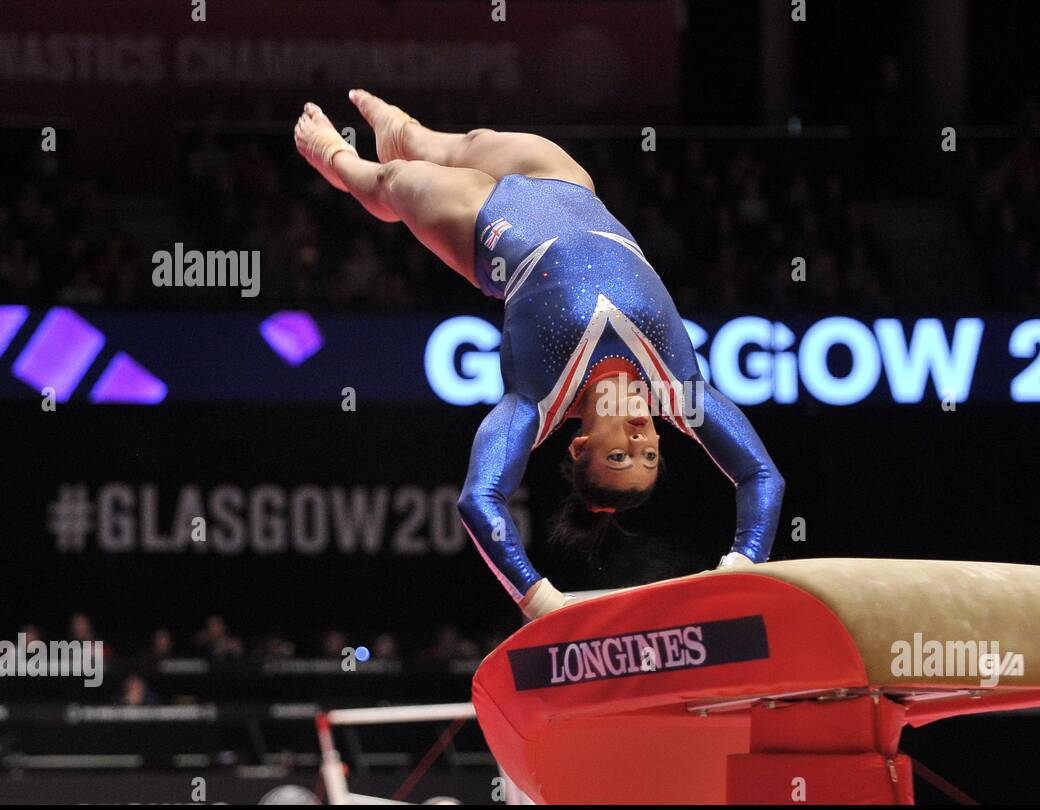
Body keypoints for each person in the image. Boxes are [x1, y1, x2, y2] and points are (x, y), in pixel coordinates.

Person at [295, 90, 783, 618]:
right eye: (650, 457)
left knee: (391, 182)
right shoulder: (680, 390)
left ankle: (336, 159)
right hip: (567, 186)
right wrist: (744, 563)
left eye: (619, 456)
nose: (643, 440)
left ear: (579, 446)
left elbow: (478, 501)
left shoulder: (536, 403)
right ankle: (401, 131)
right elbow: (761, 477)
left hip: (479, 224)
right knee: (450, 143)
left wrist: (538, 598)